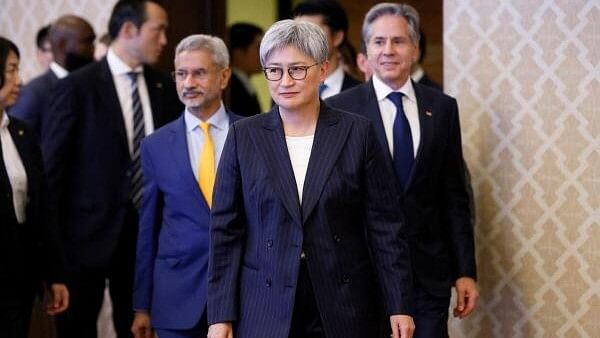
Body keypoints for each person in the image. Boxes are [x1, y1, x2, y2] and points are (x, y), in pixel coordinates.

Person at [207, 19, 414, 338]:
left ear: (322, 69)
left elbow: (385, 226)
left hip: (341, 298)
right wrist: (220, 316)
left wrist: (399, 303)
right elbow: (225, 232)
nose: (284, 81)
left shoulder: (356, 132)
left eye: (297, 69)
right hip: (265, 300)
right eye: (274, 70)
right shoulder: (244, 136)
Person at [326, 3, 479, 337]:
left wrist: (465, 271)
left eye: (398, 41)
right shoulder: (339, 110)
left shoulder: (442, 108)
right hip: (362, 276)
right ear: (366, 51)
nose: (388, 50)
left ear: (415, 49)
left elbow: (454, 195)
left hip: (427, 275)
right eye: (379, 42)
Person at [42, 1, 183, 337]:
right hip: (83, 242)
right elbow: (52, 174)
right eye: (158, 29)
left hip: (147, 241)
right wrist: (54, 256)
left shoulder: (165, 88)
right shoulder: (77, 87)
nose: (165, 40)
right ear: (129, 30)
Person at [131, 34, 241, 338]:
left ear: (224, 76)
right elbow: (148, 228)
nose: (188, 83)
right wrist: (142, 305)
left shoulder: (251, 135)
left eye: (199, 73)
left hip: (241, 294)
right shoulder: (155, 145)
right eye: (181, 74)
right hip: (175, 297)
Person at [0, 36, 69, 338]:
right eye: (12, 69)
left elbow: (43, 207)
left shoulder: (22, 132)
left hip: (19, 278)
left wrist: (54, 275)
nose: (19, 80)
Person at [9, 15, 96, 137]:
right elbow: (20, 141)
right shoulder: (34, 93)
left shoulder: (91, 85)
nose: (92, 49)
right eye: (86, 42)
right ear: (62, 44)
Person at [293, 0, 361, 99]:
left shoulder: (361, 94)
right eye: (297, 33)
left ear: (337, 37)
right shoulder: (286, 90)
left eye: (312, 33)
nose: (302, 41)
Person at [227, 23, 263, 116]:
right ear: (238, 52)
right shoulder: (230, 87)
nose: (263, 54)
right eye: (258, 47)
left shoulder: (242, 82)